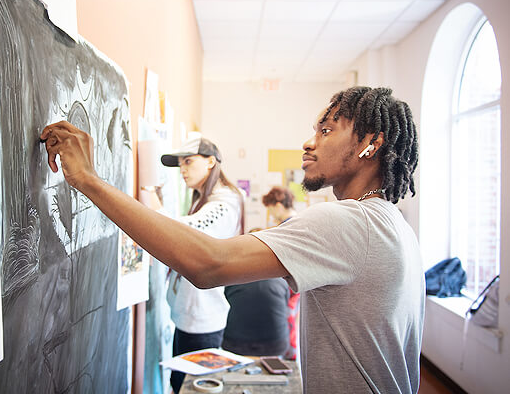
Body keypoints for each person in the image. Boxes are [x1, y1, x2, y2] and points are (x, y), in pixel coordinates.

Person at [41, 86, 424, 393]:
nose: (309, 143)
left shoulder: (349, 221)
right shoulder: (394, 224)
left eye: (326, 131)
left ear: (370, 144)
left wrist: (89, 180)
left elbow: (208, 264)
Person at [158, 136, 244, 393]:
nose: (182, 170)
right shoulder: (202, 198)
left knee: (191, 388)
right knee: (180, 384)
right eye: (180, 164)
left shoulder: (224, 201)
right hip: (189, 315)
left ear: (210, 162)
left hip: (202, 319)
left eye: (188, 162)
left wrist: (153, 207)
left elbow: (186, 233)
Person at [221, 227, 291, 357]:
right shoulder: (281, 274)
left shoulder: (230, 273)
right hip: (275, 345)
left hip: (234, 344)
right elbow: (286, 304)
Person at [262, 186, 300, 360]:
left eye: (270, 209)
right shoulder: (300, 220)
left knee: (287, 321)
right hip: (298, 281)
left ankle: (289, 359)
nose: (270, 214)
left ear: (277, 205)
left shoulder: (287, 226)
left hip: (290, 284)